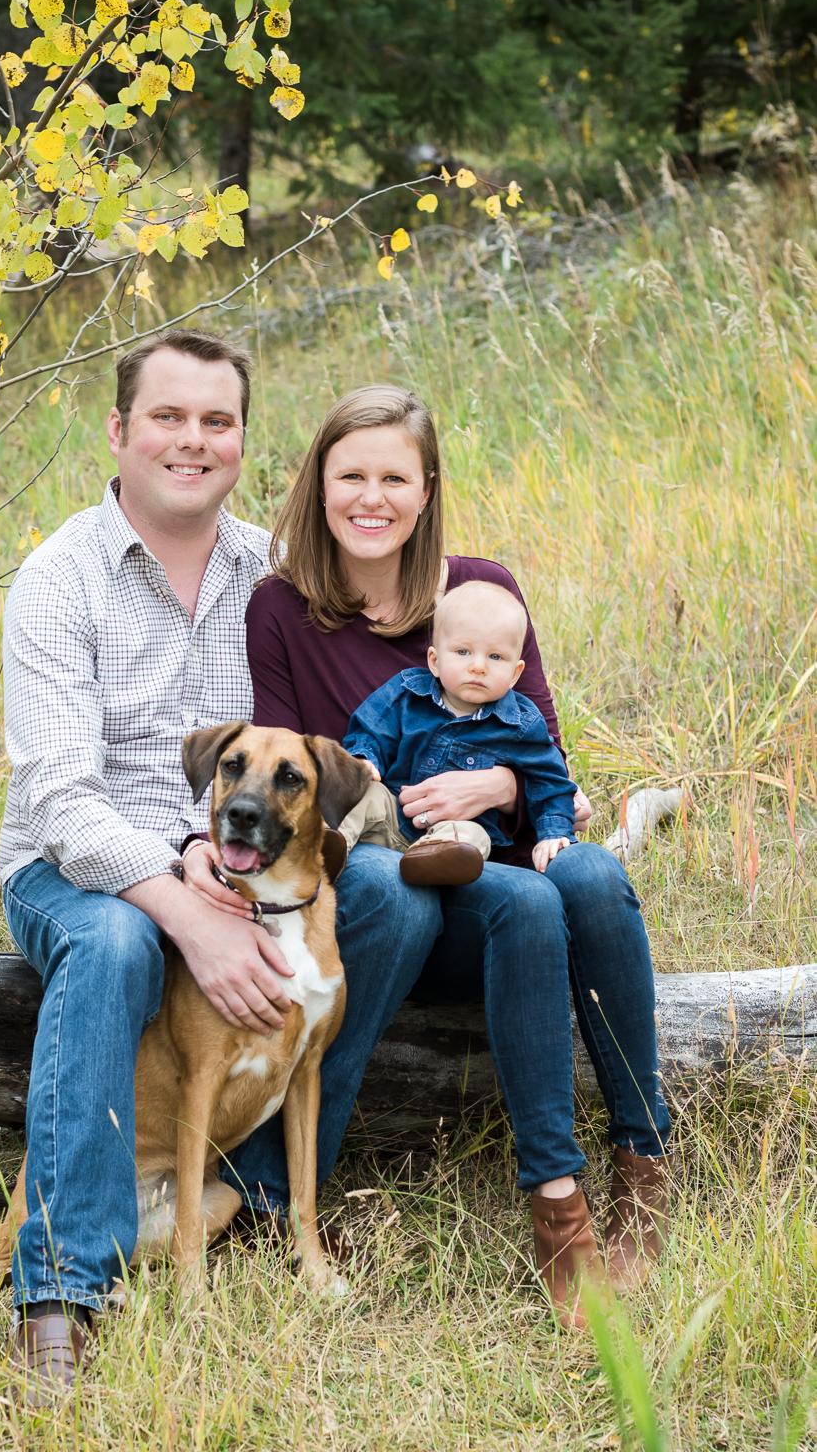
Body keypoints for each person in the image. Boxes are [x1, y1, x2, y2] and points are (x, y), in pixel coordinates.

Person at [0, 332, 442, 1401]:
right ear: (119, 430)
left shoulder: (271, 577)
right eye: (167, 416)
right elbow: (60, 799)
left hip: (236, 860)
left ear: (242, 440)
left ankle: (253, 1197)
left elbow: (324, 745)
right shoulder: (60, 578)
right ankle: (59, 1289)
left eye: (217, 421)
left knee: (384, 902)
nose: (192, 440)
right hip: (78, 867)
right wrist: (184, 902)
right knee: (115, 938)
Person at [212, 384, 671, 1329]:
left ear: (427, 491)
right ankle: (278, 1196)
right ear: (318, 484)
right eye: (351, 475)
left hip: (497, 871)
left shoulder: (480, 591)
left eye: (394, 476)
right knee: (399, 882)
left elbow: (545, 756)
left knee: (579, 875)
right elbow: (294, 786)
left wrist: (495, 790)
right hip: (383, 890)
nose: (370, 497)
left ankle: (635, 1162)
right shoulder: (281, 610)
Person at [342, 578, 578, 885]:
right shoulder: (406, 694)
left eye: (495, 657)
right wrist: (364, 758)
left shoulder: (520, 724)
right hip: (391, 817)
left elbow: (549, 781)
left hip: (453, 830)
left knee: (472, 836)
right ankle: (329, 841)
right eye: (463, 652)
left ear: (515, 673)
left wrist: (555, 832)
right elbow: (371, 730)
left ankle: (431, 868)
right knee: (363, 793)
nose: (478, 666)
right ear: (435, 661)